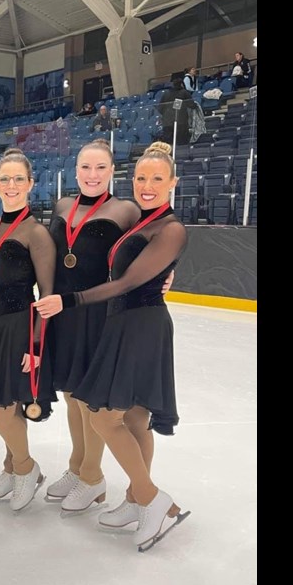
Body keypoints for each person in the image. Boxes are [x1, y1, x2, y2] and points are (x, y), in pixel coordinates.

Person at [35, 141, 191, 551]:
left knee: (105, 416)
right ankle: (139, 500)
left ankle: (149, 497)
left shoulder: (155, 221)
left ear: (174, 182)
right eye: (142, 177)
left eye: (158, 178)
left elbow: (133, 275)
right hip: (122, 318)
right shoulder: (141, 219)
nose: (148, 184)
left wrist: (164, 276)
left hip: (129, 321)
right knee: (133, 418)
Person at [42, 139, 140, 513]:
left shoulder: (125, 210)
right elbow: (49, 253)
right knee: (70, 393)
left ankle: (93, 476)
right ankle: (77, 465)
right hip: (63, 312)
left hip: (100, 312)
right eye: (86, 167)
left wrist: (169, 270)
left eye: (101, 168)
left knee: (88, 396)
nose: (92, 175)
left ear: (112, 171)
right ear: (75, 169)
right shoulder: (63, 205)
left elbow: (155, 241)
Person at [0, 147, 56, 512]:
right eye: (5, 178)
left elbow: (47, 296)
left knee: (1, 407)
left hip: (19, 327)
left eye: (19, 178)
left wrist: (35, 346)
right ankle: (10, 466)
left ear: (31, 184)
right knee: (1, 402)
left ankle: (26, 468)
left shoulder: (36, 232)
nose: (11, 184)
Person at [158, 79, 195, 144]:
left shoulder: (166, 93)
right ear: (182, 84)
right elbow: (191, 105)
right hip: (181, 121)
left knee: (169, 143)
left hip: (167, 122)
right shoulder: (184, 92)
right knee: (181, 143)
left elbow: (160, 108)